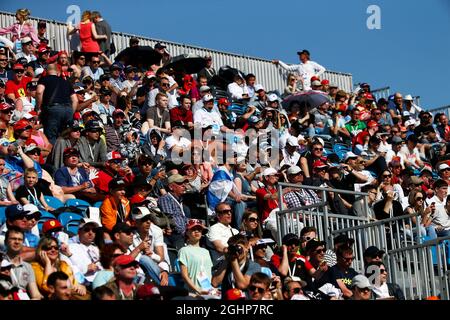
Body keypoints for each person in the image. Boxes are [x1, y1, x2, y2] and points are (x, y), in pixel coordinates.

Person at [36, 64, 77, 145]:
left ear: (46, 72)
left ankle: (54, 156)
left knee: (51, 138)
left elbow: (39, 92)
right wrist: (71, 113)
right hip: (68, 110)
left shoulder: (44, 79)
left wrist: (38, 108)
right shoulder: (66, 82)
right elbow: (75, 100)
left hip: (54, 109)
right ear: (58, 72)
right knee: (66, 137)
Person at [211, 234, 261, 298]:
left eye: (239, 248)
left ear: (246, 248)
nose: (237, 251)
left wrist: (233, 261)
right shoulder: (225, 264)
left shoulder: (254, 266)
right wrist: (227, 258)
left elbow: (242, 285)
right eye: (234, 248)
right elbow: (215, 283)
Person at [2, 226, 42, 299]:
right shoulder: (1, 263)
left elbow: (35, 294)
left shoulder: (27, 266)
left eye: (20, 239)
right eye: (13, 239)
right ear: (6, 242)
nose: (17, 242)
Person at [178, 219, 213, 295]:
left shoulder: (206, 251)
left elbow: (208, 273)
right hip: (192, 293)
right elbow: (184, 275)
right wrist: (197, 290)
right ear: (187, 232)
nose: (197, 231)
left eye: (199, 229)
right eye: (193, 229)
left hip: (208, 292)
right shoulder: (184, 250)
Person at [157, 174, 189, 250]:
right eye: (180, 183)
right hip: (175, 235)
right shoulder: (166, 199)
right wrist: (185, 231)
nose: (184, 186)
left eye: (184, 183)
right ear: (171, 187)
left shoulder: (181, 200)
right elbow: (170, 219)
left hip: (185, 233)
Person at [68, 218, 102, 287]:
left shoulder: (97, 248)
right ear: (79, 232)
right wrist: (86, 269)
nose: (91, 233)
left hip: (100, 281)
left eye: (94, 230)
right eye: (87, 230)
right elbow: (69, 269)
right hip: (84, 284)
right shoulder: (71, 247)